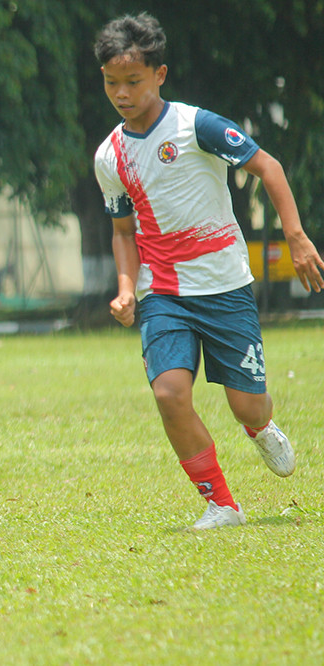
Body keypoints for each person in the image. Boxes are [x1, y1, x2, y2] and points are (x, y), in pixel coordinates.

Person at [93, 13, 324, 530]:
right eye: (112, 82)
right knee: (169, 393)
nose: (122, 93)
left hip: (224, 285)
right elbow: (123, 232)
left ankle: (260, 428)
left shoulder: (197, 126)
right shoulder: (109, 156)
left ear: (160, 74)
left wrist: (296, 235)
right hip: (162, 290)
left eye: (133, 81)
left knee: (247, 406)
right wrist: (127, 288)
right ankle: (222, 503)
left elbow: (269, 167)